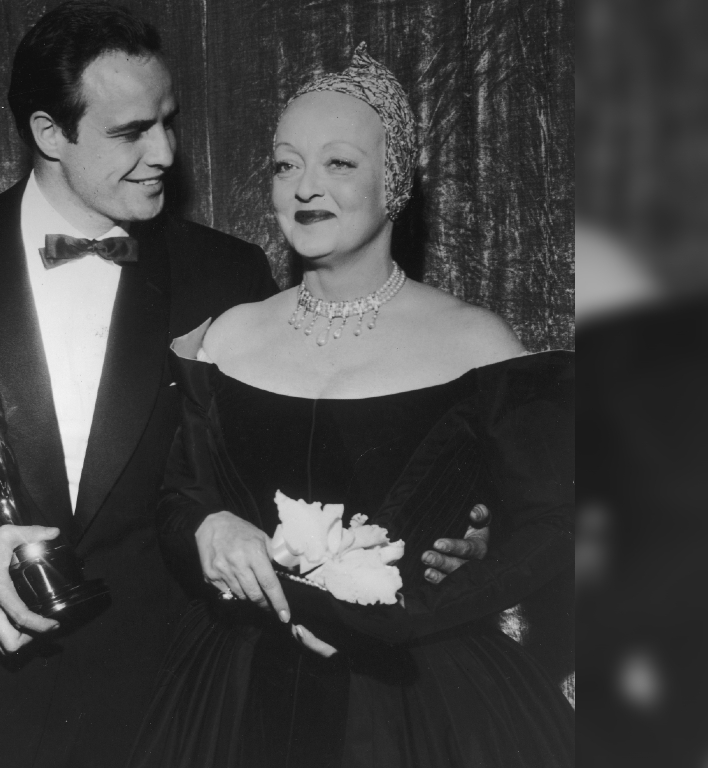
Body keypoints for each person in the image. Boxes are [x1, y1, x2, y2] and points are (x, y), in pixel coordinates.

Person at [0, 5, 491, 766]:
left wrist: (444, 536)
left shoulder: (227, 277)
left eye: (170, 121)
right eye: (130, 132)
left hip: (165, 707)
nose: (164, 152)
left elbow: (279, 487)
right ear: (49, 133)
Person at [129, 44, 574, 768]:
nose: (305, 187)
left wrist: (422, 608)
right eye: (285, 164)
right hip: (240, 694)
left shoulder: (476, 339)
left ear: (393, 182)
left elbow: (553, 524)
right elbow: (178, 500)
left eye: (338, 163)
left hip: (418, 696)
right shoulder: (227, 336)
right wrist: (209, 526)